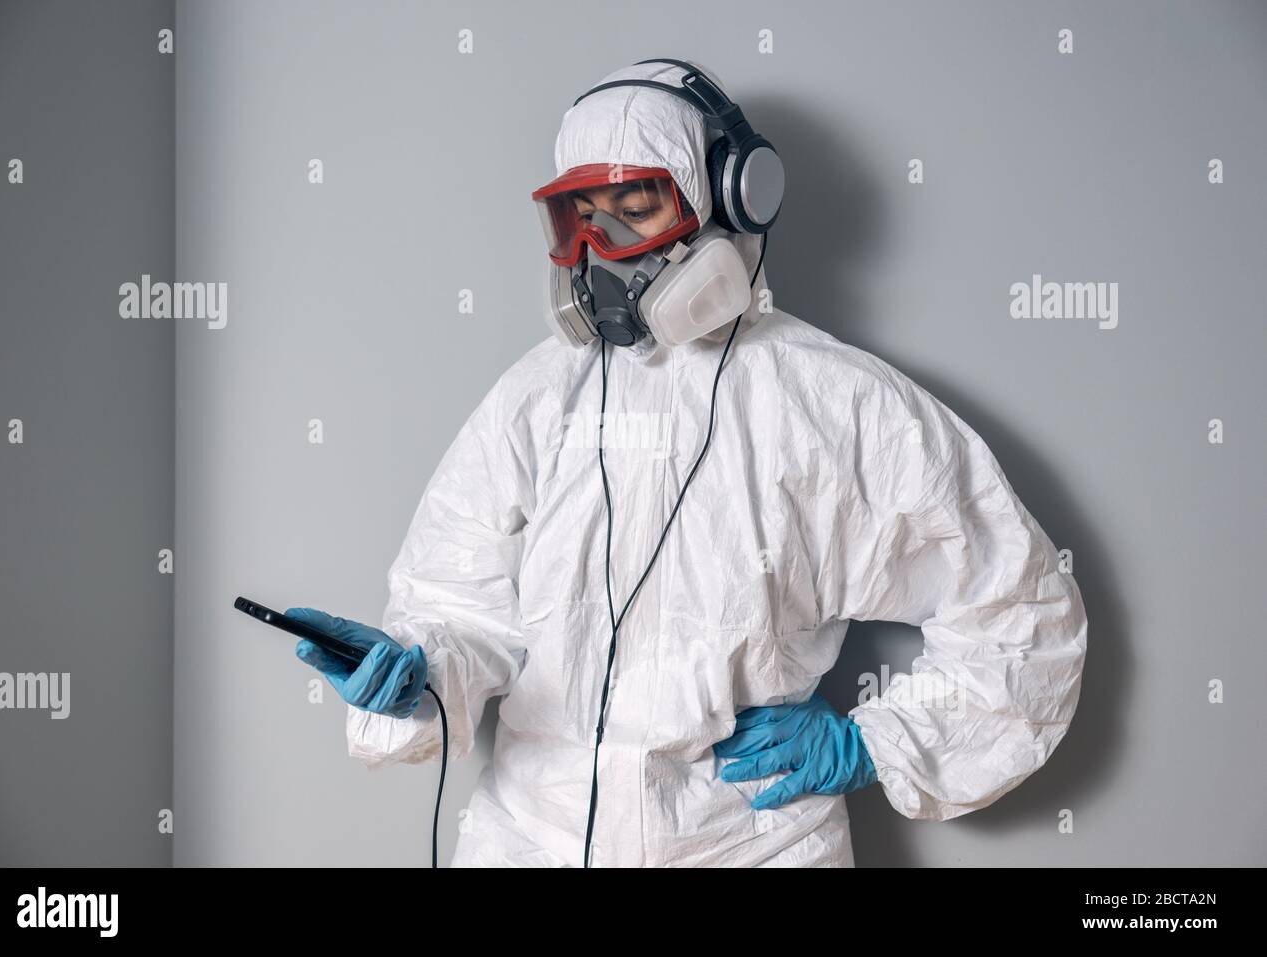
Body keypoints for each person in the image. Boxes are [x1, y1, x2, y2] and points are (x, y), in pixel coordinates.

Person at [290, 59, 1088, 867]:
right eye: (581, 218)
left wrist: (870, 742)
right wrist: (416, 672)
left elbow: (1020, 613)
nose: (602, 250)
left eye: (635, 209)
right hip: (532, 841)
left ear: (729, 199)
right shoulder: (537, 398)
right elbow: (459, 605)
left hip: (753, 843)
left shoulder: (837, 404)